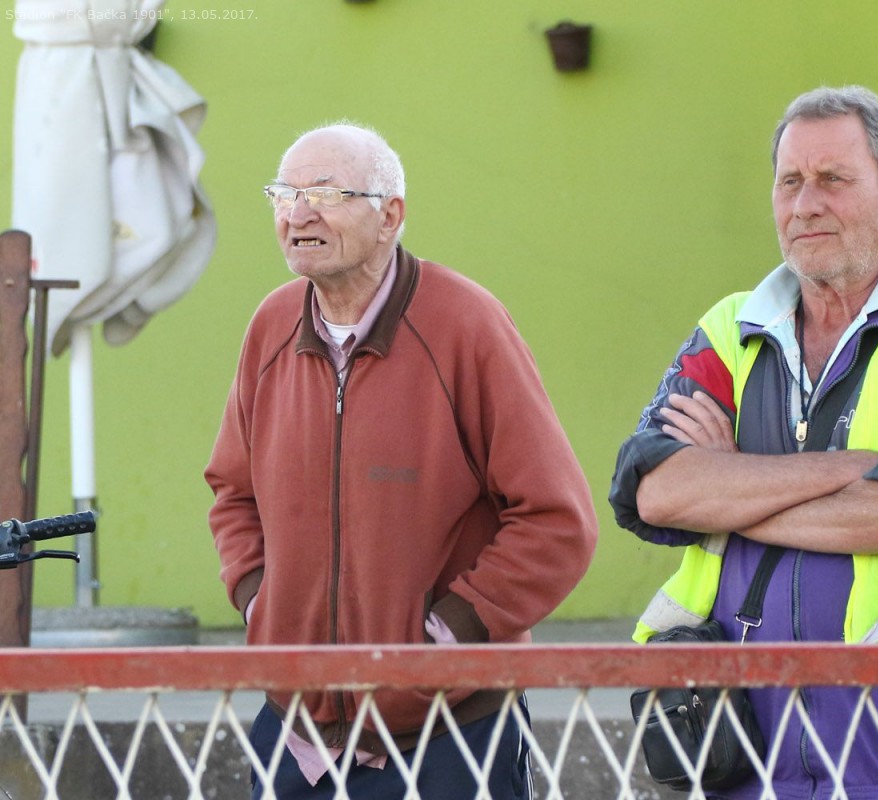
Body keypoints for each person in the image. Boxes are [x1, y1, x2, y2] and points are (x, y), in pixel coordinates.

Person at [610, 86, 878, 798]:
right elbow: (655, 491)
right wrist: (856, 470)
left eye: (833, 179)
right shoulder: (731, 328)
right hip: (741, 748)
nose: (805, 205)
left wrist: (730, 486)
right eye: (789, 181)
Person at [205, 122, 598, 799]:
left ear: (390, 216)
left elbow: (558, 521)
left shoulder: (466, 325)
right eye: (284, 194)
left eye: (325, 193)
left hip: (451, 734)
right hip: (296, 734)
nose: (298, 214)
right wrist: (261, 605)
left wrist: (445, 637)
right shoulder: (271, 326)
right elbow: (233, 493)